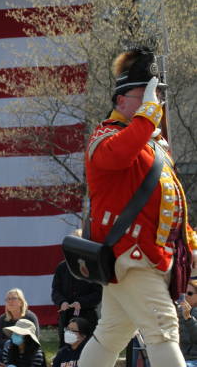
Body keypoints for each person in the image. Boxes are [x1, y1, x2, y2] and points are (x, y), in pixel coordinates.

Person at [79, 48, 197, 367]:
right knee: (163, 332)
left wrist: (190, 245)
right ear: (121, 101)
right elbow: (120, 154)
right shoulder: (105, 137)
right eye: (145, 93)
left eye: (157, 93)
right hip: (131, 255)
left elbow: (170, 202)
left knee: (111, 334)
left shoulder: (152, 144)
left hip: (143, 255)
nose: (155, 100)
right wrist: (147, 113)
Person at [51, 258, 101, 347]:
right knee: (66, 351)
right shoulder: (62, 267)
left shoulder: (92, 267)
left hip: (87, 318)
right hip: (66, 317)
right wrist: (62, 302)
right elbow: (55, 291)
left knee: (87, 350)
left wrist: (81, 302)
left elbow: (98, 294)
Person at [0, 288, 40, 361]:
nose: (10, 301)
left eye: (13, 298)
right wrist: (10, 343)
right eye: (8, 299)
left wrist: (18, 343)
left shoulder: (30, 317)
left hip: (26, 350)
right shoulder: (2, 318)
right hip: (6, 350)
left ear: (21, 302)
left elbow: (35, 339)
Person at [178, 279, 197, 366]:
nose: (185, 296)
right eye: (183, 293)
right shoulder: (178, 311)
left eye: (189, 293)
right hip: (181, 358)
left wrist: (189, 319)